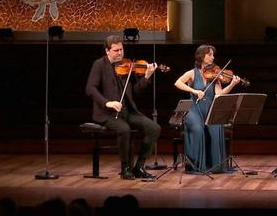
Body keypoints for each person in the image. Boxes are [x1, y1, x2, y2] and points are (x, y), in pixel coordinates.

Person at [85, 35, 161, 180]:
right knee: (124, 129)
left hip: (127, 111)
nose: (120, 53)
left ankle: (139, 166)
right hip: (107, 113)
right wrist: (107, 102)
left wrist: (146, 77)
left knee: (154, 128)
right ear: (107, 51)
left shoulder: (128, 66)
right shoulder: (99, 64)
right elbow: (90, 88)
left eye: (121, 49)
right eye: (116, 50)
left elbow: (136, 90)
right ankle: (125, 168)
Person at [174, 44, 241, 173]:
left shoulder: (215, 74)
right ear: (201, 56)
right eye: (209, 54)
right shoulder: (192, 73)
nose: (212, 57)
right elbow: (177, 82)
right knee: (198, 129)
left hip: (210, 109)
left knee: (216, 128)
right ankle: (198, 166)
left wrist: (232, 84)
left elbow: (219, 94)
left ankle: (215, 166)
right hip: (194, 110)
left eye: (213, 55)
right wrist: (194, 91)